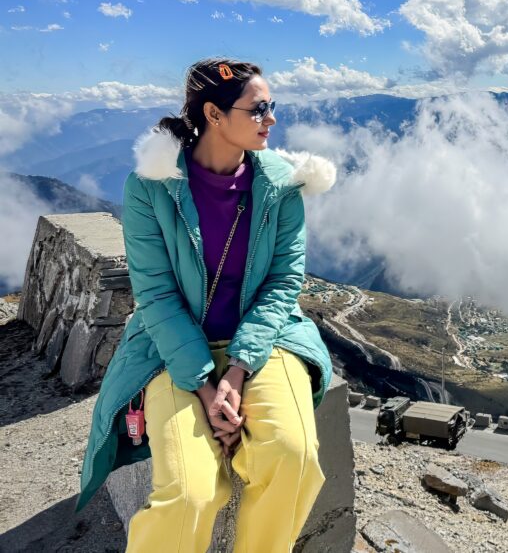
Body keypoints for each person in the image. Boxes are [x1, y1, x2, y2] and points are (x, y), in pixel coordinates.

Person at [75, 57, 338, 552]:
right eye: (259, 109)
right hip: (171, 343)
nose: (272, 119)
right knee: (190, 493)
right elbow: (154, 294)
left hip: (266, 340)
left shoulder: (283, 186)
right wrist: (202, 385)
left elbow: (283, 284)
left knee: (294, 458)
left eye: (271, 107)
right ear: (214, 115)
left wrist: (236, 373)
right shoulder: (151, 188)